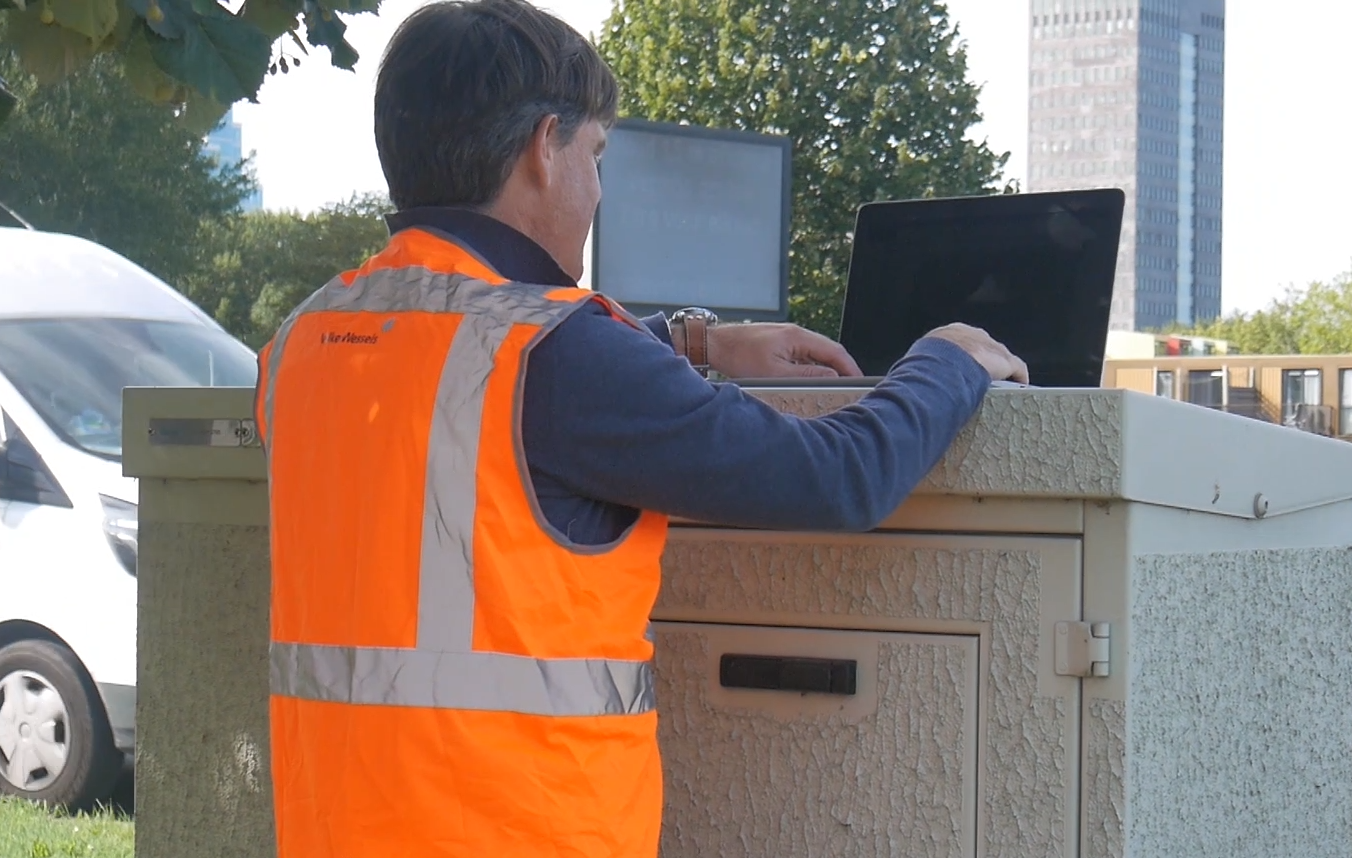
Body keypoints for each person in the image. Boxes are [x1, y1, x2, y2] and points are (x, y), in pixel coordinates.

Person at [254, 1, 1028, 856]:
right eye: (596, 154)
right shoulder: (560, 354)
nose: (597, 188)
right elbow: (836, 479)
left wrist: (689, 340)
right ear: (542, 149)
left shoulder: (309, 340)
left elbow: (458, 380)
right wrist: (946, 360)